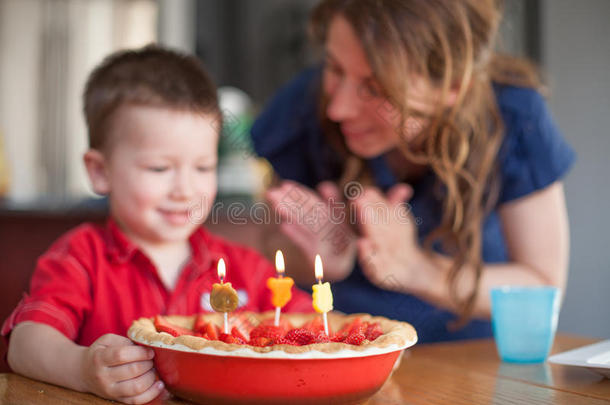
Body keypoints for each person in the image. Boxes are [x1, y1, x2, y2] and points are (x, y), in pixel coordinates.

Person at [2, 46, 312, 404]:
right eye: (159, 169)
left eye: (203, 167)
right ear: (101, 172)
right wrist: (84, 368)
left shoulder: (244, 268)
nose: (184, 190)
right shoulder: (80, 257)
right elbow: (25, 344)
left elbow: (314, 327)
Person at [252, 0, 575, 343]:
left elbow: (542, 288)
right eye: (334, 69)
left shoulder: (513, 115)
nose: (337, 108)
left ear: (453, 85)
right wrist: (314, 258)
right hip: (334, 348)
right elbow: (266, 242)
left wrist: (414, 268)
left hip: (465, 357)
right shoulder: (303, 106)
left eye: (375, 88)